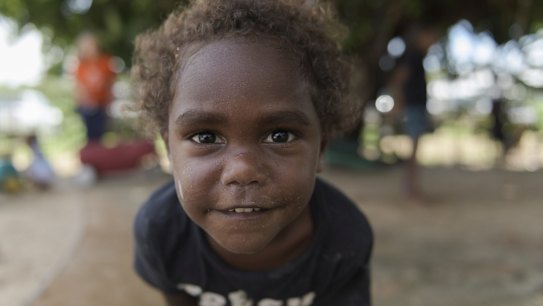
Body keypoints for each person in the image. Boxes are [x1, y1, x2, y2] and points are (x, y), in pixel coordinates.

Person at [131, 1, 374, 305]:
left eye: (280, 135)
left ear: (320, 148)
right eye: (205, 136)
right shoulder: (161, 232)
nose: (242, 170)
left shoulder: (344, 238)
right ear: (168, 148)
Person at [391, 23, 439, 201]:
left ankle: (411, 186)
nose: (433, 42)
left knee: (415, 147)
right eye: (431, 37)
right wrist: (399, 101)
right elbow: (400, 78)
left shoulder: (417, 56)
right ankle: (410, 188)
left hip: (417, 105)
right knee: (414, 147)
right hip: (413, 106)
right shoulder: (412, 56)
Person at [74, 33, 116, 142]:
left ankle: (97, 152)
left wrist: (108, 101)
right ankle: (92, 152)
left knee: (100, 131)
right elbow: (79, 88)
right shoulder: (81, 66)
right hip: (87, 106)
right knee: (91, 133)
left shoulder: (105, 62)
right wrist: (86, 101)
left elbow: (109, 84)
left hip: (102, 105)